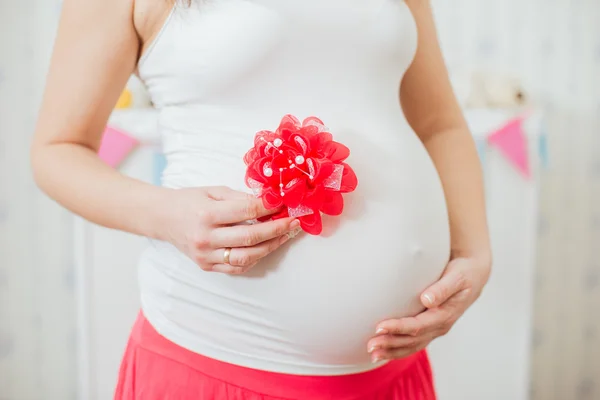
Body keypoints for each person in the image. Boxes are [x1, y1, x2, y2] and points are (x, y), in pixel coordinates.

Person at [31, 0, 492, 398]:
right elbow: (57, 150)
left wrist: (475, 252)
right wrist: (166, 215)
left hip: (391, 375)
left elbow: (438, 123)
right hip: (213, 363)